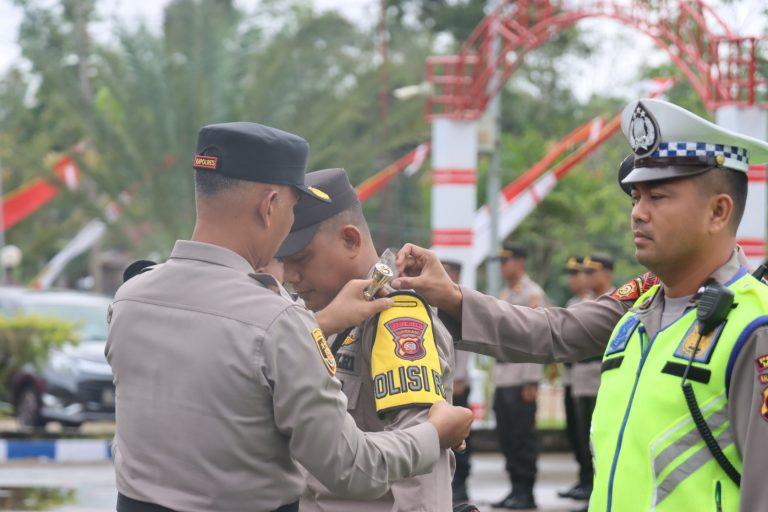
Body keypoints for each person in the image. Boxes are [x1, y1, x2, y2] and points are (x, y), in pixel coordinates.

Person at [391, 98, 768, 512]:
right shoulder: (640, 307)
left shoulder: (754, 327)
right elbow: (555, 330)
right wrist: (451, 296)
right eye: (634, 198)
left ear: (718, 211)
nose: (638, 214)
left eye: (657, 197)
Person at [105, 123, 472, 512]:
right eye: (293, 208)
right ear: (269, 206)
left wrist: (318, 322)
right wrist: (436, 433)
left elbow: (227, 353)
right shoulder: (277, 321)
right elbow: (351, 467)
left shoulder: (130, 299)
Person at [277, 168, 458, 512]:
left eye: (300, 259)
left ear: (350, 239)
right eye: (284, 262)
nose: (290, 276)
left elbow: (422, 469)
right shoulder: (322, 318)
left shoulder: (396, 317)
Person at [490, 242, 546, 510]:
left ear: (520, 262)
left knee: (523, 437)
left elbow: (537, 339)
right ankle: (515, 489)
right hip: (503, 377)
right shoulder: (506, 294)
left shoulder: (532, 294)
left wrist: (532, 380)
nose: (503, 267)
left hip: (521, 377)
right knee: (507, 436)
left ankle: (526, 491)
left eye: (507, 261)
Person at [557, 256, 594, 503]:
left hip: (591, 379)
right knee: (576, 433)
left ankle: (591, 483)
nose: (573, 279)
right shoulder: (572, 303)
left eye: (577, 273)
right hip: (574, 379)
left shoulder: (595, 303)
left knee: (589, 435)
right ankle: (583, 480)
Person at [443, 259, 474, 505]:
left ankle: (461, 485)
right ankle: (452, 485)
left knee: (460, 438)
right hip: (445, 383)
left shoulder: (458, 302)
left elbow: (463, 347)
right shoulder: (439, 300)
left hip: (457, 382)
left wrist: (460, 377)